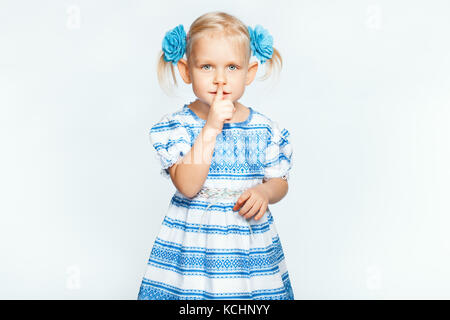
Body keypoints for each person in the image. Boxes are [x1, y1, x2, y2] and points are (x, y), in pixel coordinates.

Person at [137, 11, 294, 300]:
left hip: (248, 247)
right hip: (194, 245)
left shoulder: (264, 129)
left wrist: (265, 191)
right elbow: (187, 185)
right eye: (207, 66)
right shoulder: (178, 128)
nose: (220, 79)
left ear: (249, 73)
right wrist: (210, 127)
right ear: (186, 71)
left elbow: (279, 181)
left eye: (232, 67)